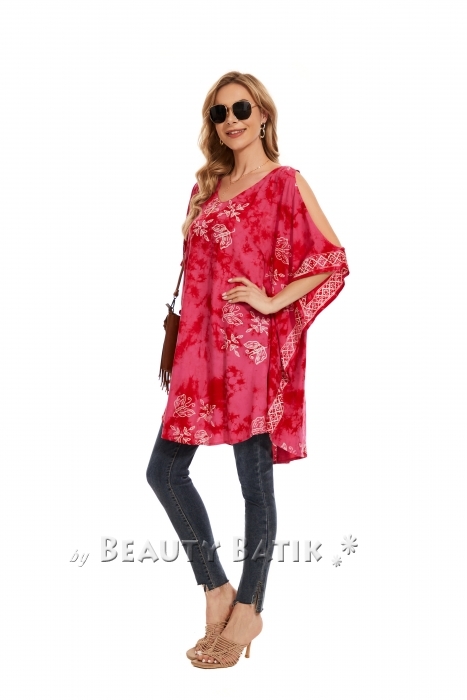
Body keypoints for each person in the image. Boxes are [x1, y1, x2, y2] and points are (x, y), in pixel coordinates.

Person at [146, 71, 349, 669]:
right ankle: (216, 590)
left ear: (262, 114)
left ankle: (250, 607)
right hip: (198, 353)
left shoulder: (286, 183)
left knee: (253, 486)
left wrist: (270, 300)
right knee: (163, 471)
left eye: (240, 109)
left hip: (250, 355)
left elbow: (332, 260)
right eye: (219, 113)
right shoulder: (205, 186)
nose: (230, 120)